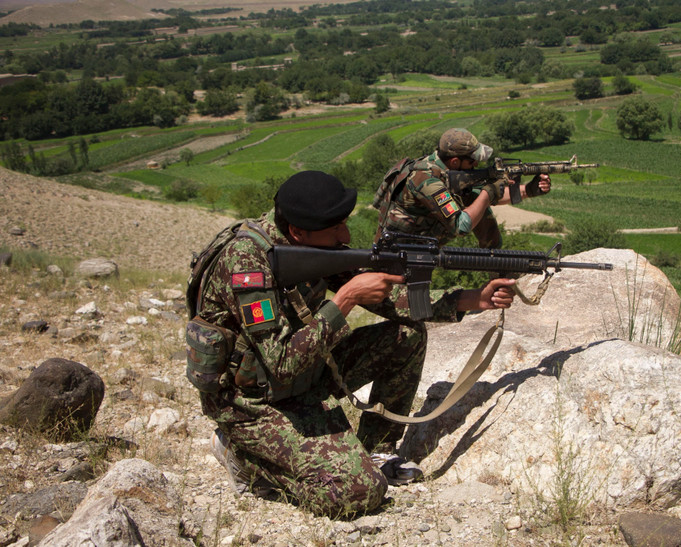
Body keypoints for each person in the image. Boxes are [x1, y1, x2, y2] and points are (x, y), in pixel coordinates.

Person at [190, 170, 519, 517]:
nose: (345, 235)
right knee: (356, 492)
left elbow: (391, 301)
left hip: (302, 374)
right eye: (335, 229)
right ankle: (243, 457)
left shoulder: (306, 242)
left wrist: (471, 299)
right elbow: (281, 363)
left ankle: (376, 448)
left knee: (405, 336)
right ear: (298, 231)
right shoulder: (246, 263)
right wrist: (345, 299)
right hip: (252, 401)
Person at [373, 127, 552, 249]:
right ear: (455, 161)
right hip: (399, 254)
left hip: (416, 244)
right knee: (480, 200)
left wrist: (528, 190)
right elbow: (460, 227)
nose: (476, 165)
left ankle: (497, 268)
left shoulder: (442, 168)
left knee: (475, 199)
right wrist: (487, 193)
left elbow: (483, 195)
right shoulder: (426, 180)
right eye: (472, 161)